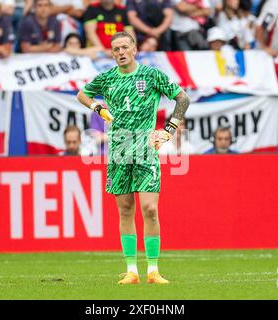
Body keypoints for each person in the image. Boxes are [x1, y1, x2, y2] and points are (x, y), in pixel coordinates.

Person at [77, 31, 190, 284]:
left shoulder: (151, 75)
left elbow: (182, 98)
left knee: (150, 209)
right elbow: (82, 94)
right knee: (125, 210)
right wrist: (98, 107)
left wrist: (169, 130)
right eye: (116, 49)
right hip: (118, 151)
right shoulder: (106, 78)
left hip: (146, 150)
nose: (120, 52)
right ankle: (132, 271)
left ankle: (153, 270)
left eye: (125, 47)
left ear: (134, 49)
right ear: (112, 52)